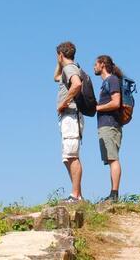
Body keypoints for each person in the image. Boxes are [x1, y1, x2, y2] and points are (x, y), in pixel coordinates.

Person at [55, 41, 84, 202]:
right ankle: (77, 193)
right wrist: (60, 62)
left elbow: (77, 84)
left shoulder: (70, 68)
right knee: (68, 156)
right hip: (70, 117)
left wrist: (63, 103)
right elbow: (55, 77)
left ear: (60, 55)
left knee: (72, 155)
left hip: (71, 116)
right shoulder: (67, 69)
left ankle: (76, 195)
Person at [93, 54, 123, 203]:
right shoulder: (106, 82)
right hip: (106, 125)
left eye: (96, 64)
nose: (94, 67)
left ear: (102, 64)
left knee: (113, 158)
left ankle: (114, 194)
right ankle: (112, 194)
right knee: (110, 159)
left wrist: (98, 107)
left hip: (110, 125)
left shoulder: (112, 80)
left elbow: (116, 102)